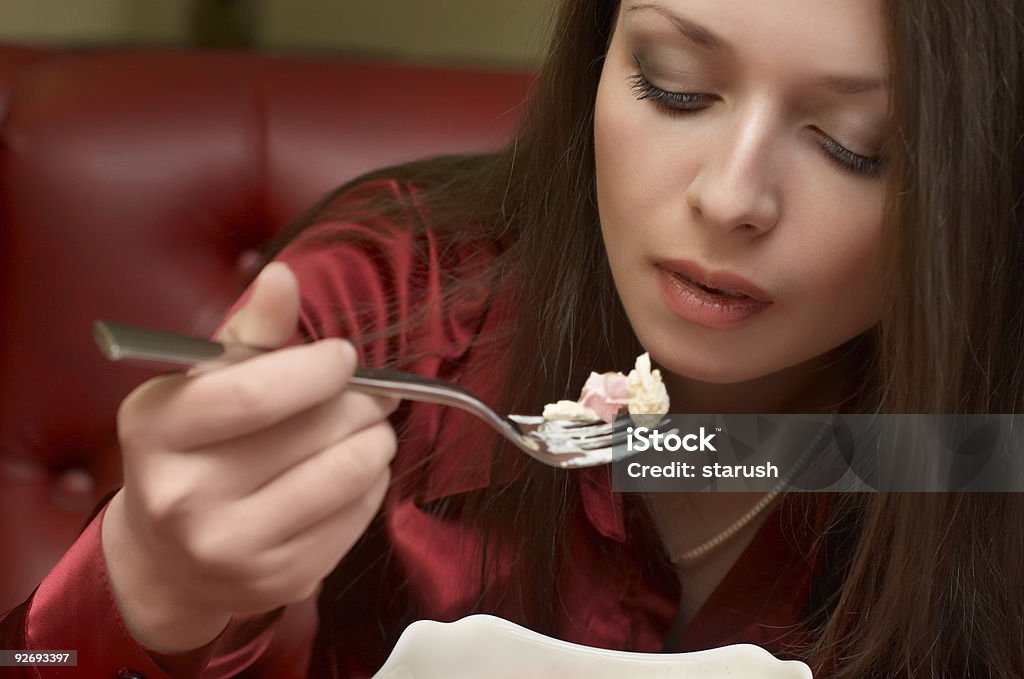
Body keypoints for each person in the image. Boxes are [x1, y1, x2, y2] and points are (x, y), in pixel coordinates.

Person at [3, 0, 1024, 677]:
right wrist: (152, 580)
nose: (729, 197)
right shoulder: (390, 304)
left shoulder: (989, 444)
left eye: (858, 148)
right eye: (672, 84)